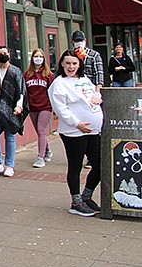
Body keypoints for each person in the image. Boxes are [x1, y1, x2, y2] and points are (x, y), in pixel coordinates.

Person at [47, 49, 104, 217]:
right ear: (62, 64)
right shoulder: (59, 83)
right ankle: (76, 201)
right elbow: (61, 109)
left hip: (93, 131)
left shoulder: (85, 79)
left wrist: (98, 98)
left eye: (74, 63)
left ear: (79, 65)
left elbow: (94, 96)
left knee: (99, 165)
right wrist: (77, 123)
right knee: (76, 166)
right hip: (74, 132)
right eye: (67, 63)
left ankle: (86, 196)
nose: (71, 67)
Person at [0, 45, 27, 178]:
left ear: (9, 54)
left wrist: (19, 106)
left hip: (11, 109)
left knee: (10, 137)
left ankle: (9, 165)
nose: (3, 55)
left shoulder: (15, 72)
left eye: (5, 53)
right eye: (0, 54)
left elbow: (21, 91)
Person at [24, 48, 55, 168]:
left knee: (41, 130)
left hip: (45, 107)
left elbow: (53, 92)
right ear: (32, 58)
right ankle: (47, 150)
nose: (38, 59)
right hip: (32, 107)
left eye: (40, 56)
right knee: (39, 131)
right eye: (36, 56)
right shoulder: (27, 74)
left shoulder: (48, 75)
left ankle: (40, 157)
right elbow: (24, 91)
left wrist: (55, 108)